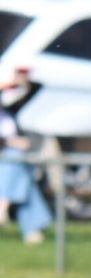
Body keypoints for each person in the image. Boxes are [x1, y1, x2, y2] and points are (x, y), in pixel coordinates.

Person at [0, 71, 53, 245]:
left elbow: (36, 90)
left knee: (20, 170)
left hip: (11, 162)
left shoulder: (8, 111)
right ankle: (31, 227)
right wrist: (10, 143)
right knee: (17, 162)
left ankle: (4, 206)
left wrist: (23, 82)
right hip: (7, 159)